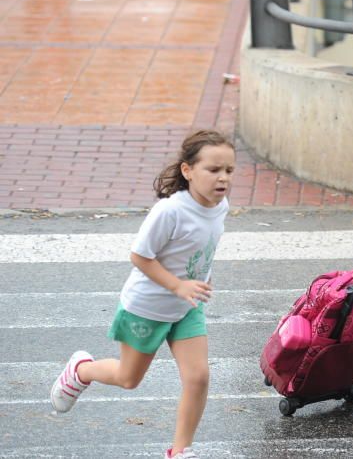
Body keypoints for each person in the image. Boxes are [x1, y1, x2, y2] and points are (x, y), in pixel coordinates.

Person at [49, 130, 235, 459]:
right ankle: (81, 370)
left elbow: (198, 249)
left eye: (229, 171)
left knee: (198, 377)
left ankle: (180, 451)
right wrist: (178, 284)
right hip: (147, 307)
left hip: (187, 307)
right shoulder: (170, 212)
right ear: (187, 171)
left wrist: (200, 279)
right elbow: (140, 256)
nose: (222, 178)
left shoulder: (220, 208)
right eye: (213, 170)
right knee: (128, 378)